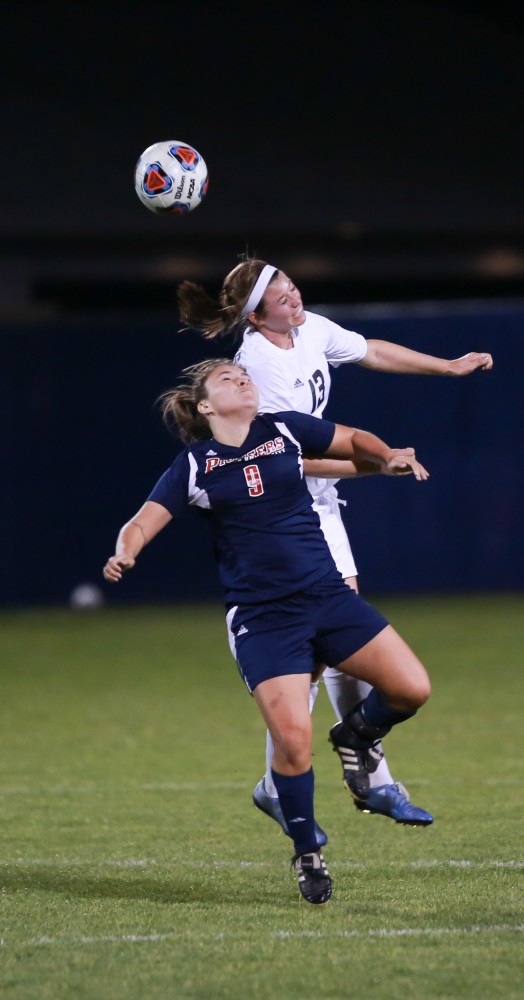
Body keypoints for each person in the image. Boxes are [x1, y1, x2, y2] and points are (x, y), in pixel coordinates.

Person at [176, 258, 493, 833]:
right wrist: (375, 466)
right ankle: (353, 776)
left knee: (336, 634)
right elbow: (284, 456)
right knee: (324, 639)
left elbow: (369, 349)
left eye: (292, 285)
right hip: (285, 509)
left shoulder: (308, 328)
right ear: (256, 314)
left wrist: (446, 367)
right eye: (281, 294)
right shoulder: (256, 369)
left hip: (319, 504)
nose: (294, 296)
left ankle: (309, 779)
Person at [103, 358, 432, 904]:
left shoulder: (283, 427)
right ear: (206, 407)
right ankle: (308, 851)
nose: (242, 379)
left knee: (411, 688)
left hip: (327, 597)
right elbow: (143, 519)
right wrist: (125, 551)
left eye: (244, 375)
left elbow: (352, 439)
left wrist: (388, 456)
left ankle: (353, 736)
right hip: (265, 618)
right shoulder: (196, 463)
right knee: (293, 743)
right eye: (227, 379)